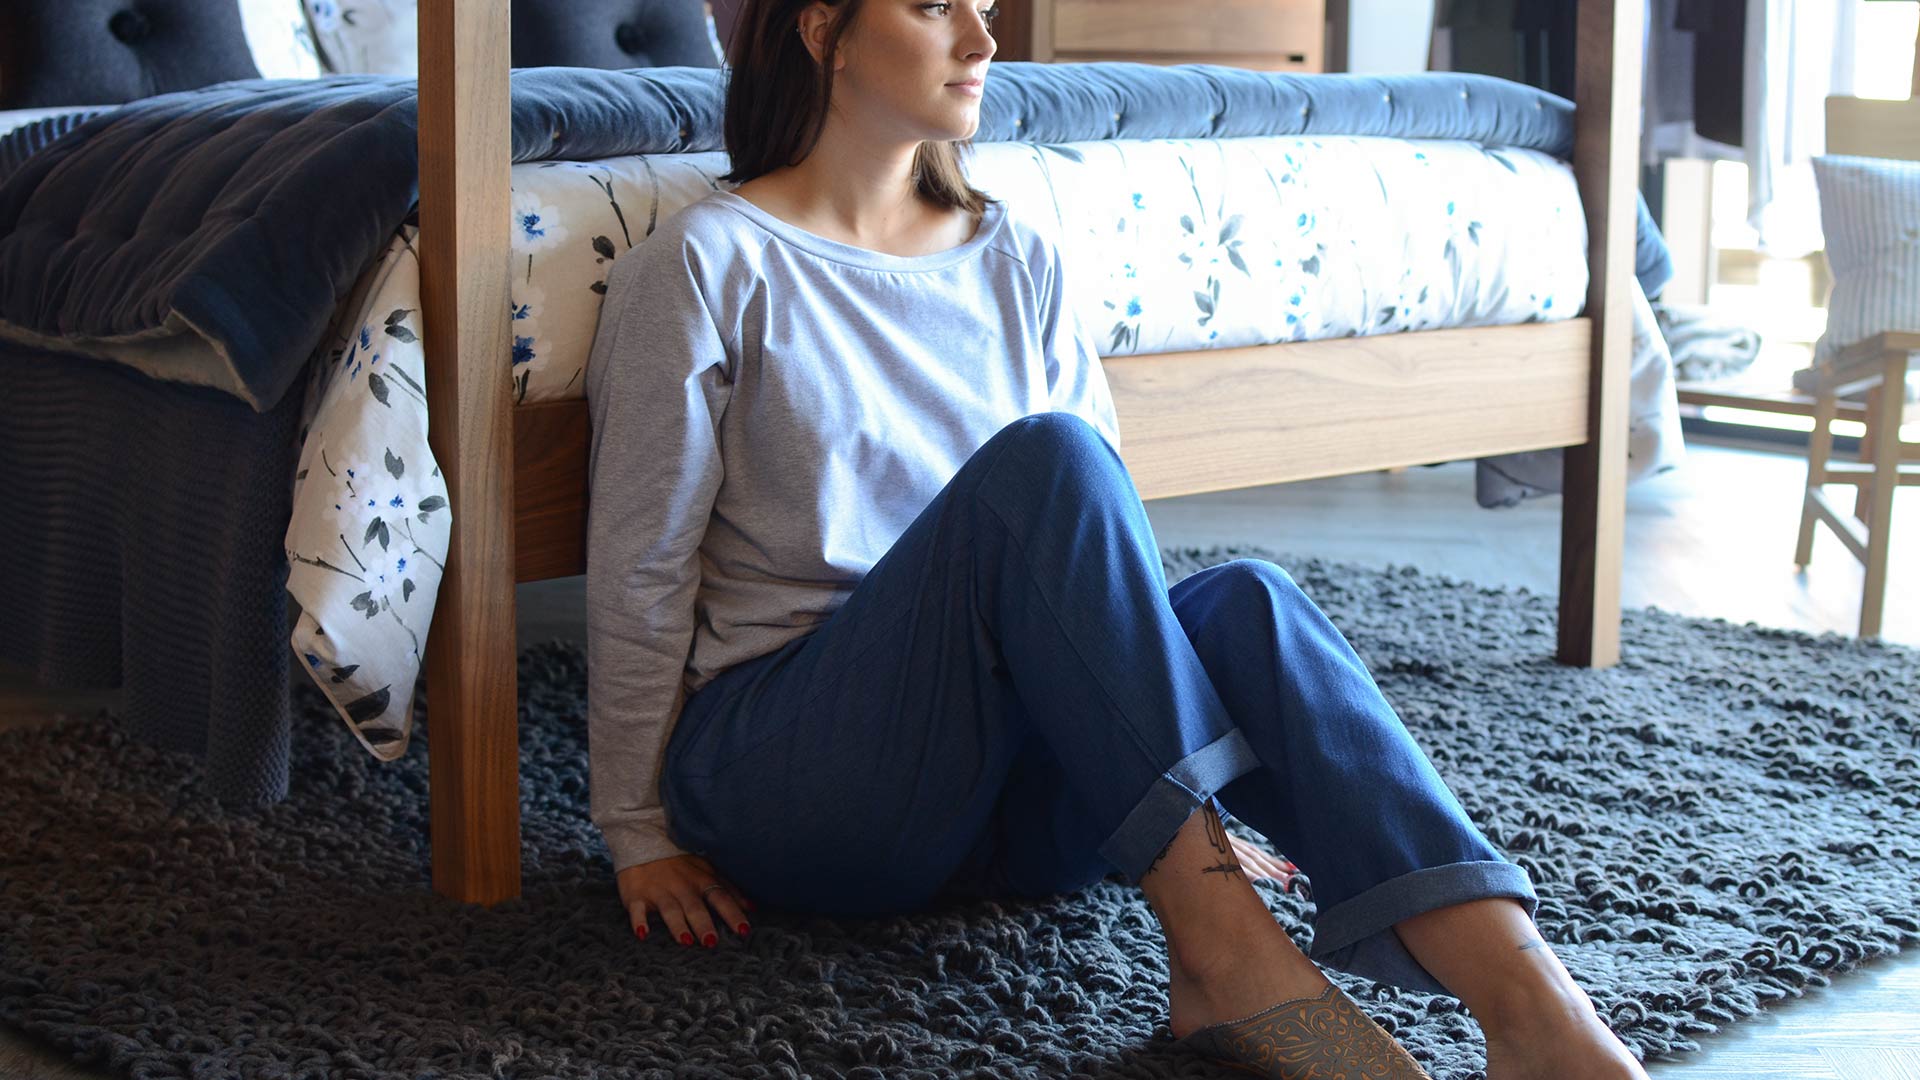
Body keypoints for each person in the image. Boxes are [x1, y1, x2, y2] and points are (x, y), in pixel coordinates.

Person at [582, 1, 1652, 1076]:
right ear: (823, 29)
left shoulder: (1015, 255)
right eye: (935, 5)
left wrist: (1181, 780)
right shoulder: (708, 263)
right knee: (1047, 461)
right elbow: (642, 569)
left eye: (985, 6)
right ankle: (1223, 951)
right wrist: (636, 828)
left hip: (1003, 806)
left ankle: (1530, 1005)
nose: (983, 42)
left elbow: (1099, 566)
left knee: (1247, 602)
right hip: (801, 781)